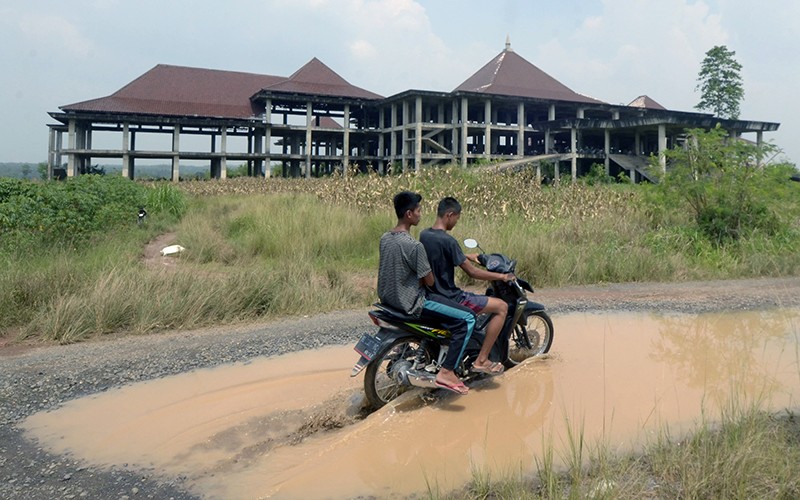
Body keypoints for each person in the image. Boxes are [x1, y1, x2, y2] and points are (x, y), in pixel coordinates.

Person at [377, 191, 476, 395]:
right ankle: (447, 372)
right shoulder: (414, 246)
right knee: (467, 318)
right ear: (409, 214)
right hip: (413, 302)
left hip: (389, 300)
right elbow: (429, 280)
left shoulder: (385, 238)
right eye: (418, 210)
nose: (421, 214)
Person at [420, 197, 513, 375]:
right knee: (501, 307)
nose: (456, 222)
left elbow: (447, 256)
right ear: (449, 215)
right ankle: (482, 360)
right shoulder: (449, 241)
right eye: (457, 218)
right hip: (451, 297)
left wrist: (469, 256)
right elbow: (473, 273)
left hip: (431, 294)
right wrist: (502, 276)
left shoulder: (425, 235)